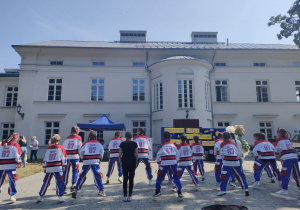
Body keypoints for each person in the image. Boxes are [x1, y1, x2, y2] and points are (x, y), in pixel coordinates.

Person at [72, 130, 105, 198]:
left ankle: (76, 189)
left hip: (86, 161)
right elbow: (102, 152)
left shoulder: (86, 143)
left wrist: (82, 158)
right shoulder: (98, 143)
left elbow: (81, 151)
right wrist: (100, 159)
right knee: (97, 176)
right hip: (95, 161)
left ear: (89, 136)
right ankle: (101, 190)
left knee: (82, 176)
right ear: (95, 136)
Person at [37, 134, 67, 203]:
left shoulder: (48, 148)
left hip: (49, 167)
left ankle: (40, 195)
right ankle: (60, 196)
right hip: (57, 166)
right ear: (58, 140)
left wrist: (44, 167)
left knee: (46, 182)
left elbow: (45, 158)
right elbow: (64, 158)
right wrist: (64, 166)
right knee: (59, 182)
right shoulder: (61, 147)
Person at [218, 132, 249, 196]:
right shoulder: (233, 143)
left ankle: (223, 190)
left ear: (223, 137)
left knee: (225, 176)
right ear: (230, 137)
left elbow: (221, 153)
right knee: (240, 174)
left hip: (227, 161)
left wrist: (223, 159)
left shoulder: (222, 143)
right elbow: (238, 152)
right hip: (235, 160)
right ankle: (246, 188)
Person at [154, 131, 183, 198]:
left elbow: (158, 154)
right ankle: (179, 192)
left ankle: (158, 191)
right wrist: (177, 160)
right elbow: (178, 153)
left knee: (160, 176)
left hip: (164, 162)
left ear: (163, 137)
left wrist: (158, 162)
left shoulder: (162, 145)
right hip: (173, 161)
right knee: (176, 177)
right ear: (170, 136)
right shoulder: (173, 144)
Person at [275, 128, 300, 195]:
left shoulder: (278, 140)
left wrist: (277, 155)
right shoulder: (287, 139)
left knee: (285, 173)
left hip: (287, 158)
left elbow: (277, 151)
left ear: (280, 133)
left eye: (277, 133)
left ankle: (284, 189)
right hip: (294, 156)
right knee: (297, 174)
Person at [0, 132, 21, 202]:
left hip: (1, 164)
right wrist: (19, 162)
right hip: (11, 164)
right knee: (12, 180)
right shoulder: (15, 144)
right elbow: (17, 155)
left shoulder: (2, 144)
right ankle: (12, 195)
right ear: (16, 138)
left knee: (0, 179)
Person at [62, 125, 82, 193]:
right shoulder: (78, 138)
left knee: (65, 172)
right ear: (77, 131)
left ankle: (64, 186)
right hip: (75, 156)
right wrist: (81, 156)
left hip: (67, 156)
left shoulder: (67, 138)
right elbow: (80, 147)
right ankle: (73, 186)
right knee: (75, 171)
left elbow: (63, 147)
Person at [119, 132, 138, 202]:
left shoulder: (122, 144)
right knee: (131, 179)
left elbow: (120, 154)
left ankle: (125, 196)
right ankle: (130, 195)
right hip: (132, 161)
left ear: (125, 136)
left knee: (125, 178)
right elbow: (136, 154)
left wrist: (120, 161)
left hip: (125, 161)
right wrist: (136, 162)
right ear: (131, 136)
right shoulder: (134, 144)